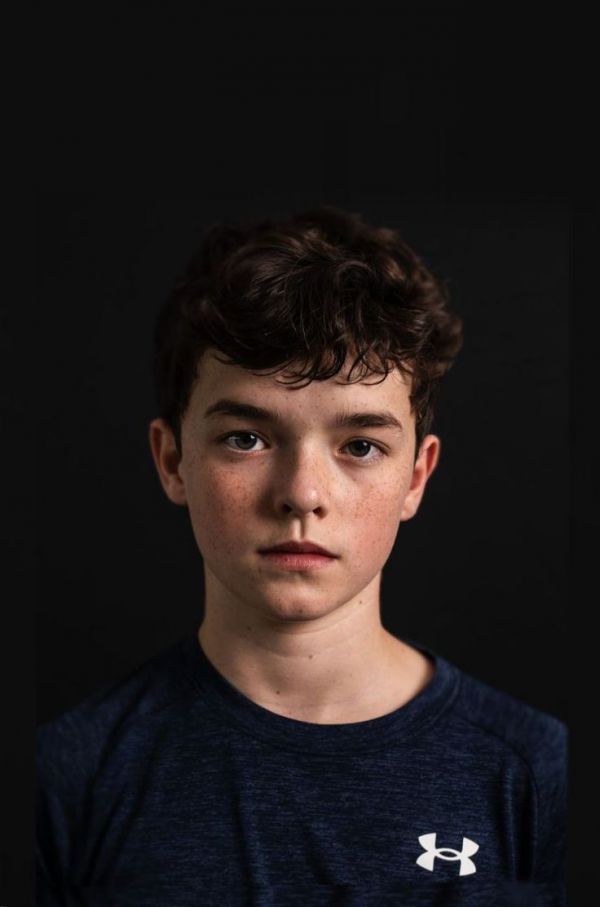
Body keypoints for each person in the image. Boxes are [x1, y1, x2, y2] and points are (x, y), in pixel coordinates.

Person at [36, 205, 567, 906]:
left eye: (360, 446)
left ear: (416, 476)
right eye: (246, 439)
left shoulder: (537, 775)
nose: (302, 494)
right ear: (172, 460)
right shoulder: (69, 777)